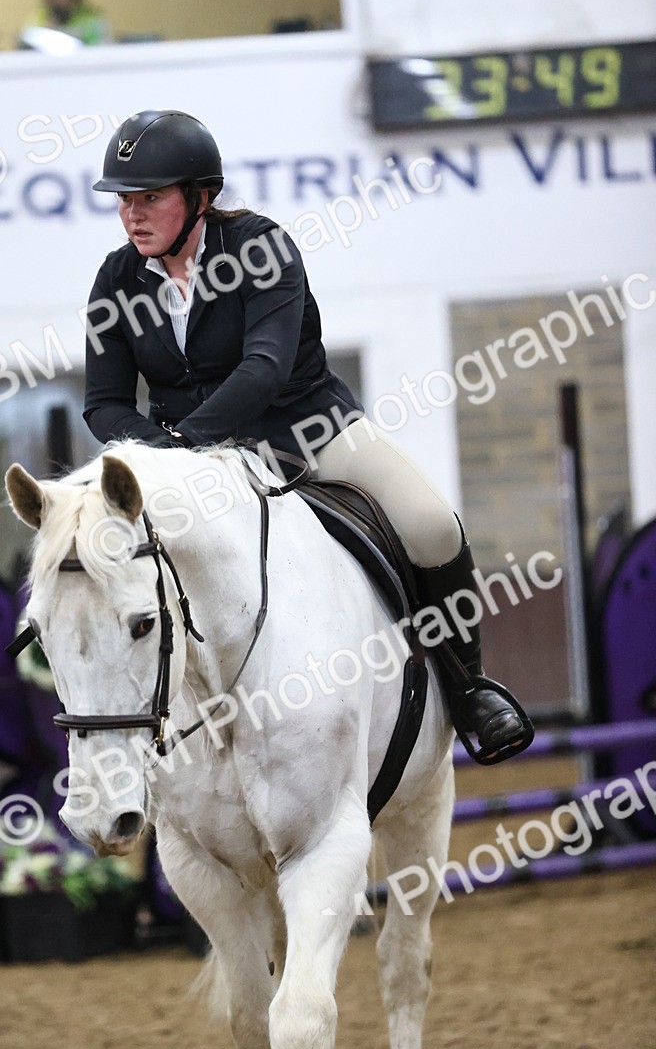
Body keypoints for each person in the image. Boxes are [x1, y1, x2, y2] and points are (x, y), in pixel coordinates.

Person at [82, 109, 530, 763]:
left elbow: (264, 368)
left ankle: (469, 692)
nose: (132, 214)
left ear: (201, 196)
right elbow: (104, 404)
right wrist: (164, 458)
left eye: (150, 197)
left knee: (432, 525)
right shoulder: (115, 280)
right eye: (124, 200)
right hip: (193, 460)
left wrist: (184, 445)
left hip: (307, 430)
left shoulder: (262, 248)